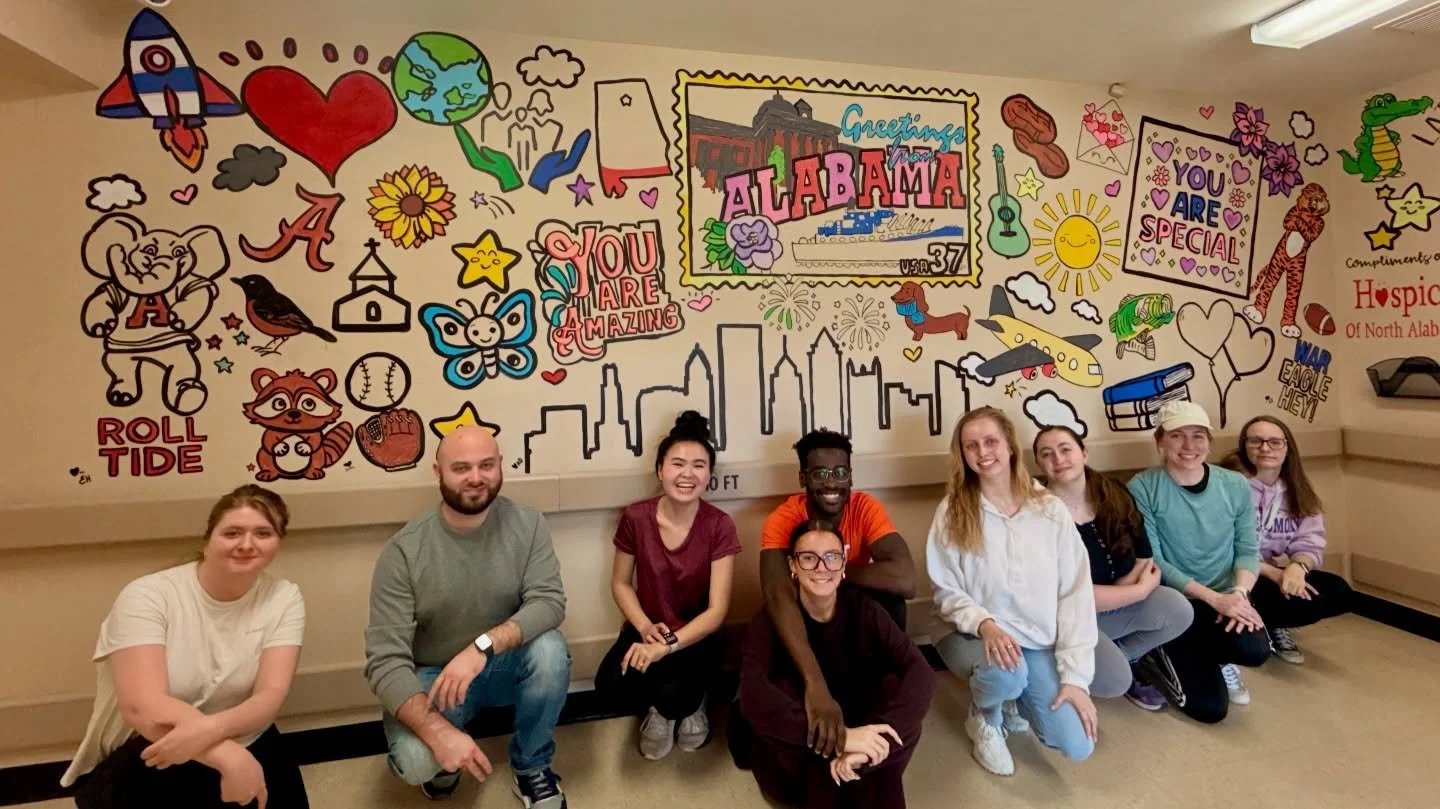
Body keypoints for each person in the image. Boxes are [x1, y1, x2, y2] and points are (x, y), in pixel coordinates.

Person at [62, 484, 309, 809]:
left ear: (278, 543)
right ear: (208, 541)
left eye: (263, 533)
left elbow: (270, 696)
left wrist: (212, 733)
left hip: (241, 732)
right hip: (151, 741)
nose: (247, 544)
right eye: (232, 532)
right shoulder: (148, 595)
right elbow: (143, 706)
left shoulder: (284, 597)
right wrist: (227, 757)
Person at [364, 426, 570, 807]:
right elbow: (384, 661)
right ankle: (444, 763)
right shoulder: (403, 552)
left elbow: (549, 602)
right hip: (436, 678)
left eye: (486, 465)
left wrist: (480, 648)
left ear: (500, 467)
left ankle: (531, 766)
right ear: (437, 472)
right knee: (415, 762)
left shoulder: (528, 524)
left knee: (550, 650)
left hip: (500, 663)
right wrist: (438, 733)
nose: (476, 478)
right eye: (461, 468)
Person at [927, 407, 1098, 777]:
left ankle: (1011, 698)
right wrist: (984, 624)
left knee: (1077, 744)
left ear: (1010, 447)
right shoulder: (953, 511)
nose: (982, 451)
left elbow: (1075, 594)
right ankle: (985, 718)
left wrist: (1075, 680)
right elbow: (944, 590)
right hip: (967, 632)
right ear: (962, 454)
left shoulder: (1049, 509)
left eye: (991, 441)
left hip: (1032, 640)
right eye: (971, 445)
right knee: (1006, 673)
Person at [739, 519, 935, 808]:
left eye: (831, 557)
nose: (822, 567)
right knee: (813, 750)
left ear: (843, 564)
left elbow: (920, 672)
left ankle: (867, 758)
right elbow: (753, 697)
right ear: (792, 566)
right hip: (801, 742)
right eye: (809, 558)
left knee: (896, 696)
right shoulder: (771, 619)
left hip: (860, 732)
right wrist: (841, 740)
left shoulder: (862, 608)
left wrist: (870, 744)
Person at [756, 429, 917, 760]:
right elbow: (777, 595)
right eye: (820, 473)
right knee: (774, 618)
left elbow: (905, 579)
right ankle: (810, 690)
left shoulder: (864, 507)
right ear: (803, 478)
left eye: (841, 472)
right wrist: (815, 685)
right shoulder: (783, 519)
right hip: (806, 609)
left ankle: (873, 699)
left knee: (892, 607)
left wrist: (833, 572)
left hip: (845, 602)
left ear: (850, 476)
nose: (832, 483)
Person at [595, 411, 741, 760]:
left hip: (697, 635)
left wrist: (669, 646)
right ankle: (661, 709)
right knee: (609, 685)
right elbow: (620, 583)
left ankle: (691, 705)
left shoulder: (720, 525)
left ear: (709, 475)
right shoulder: (636, 517)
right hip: (648, 629)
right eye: (677, 464)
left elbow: (717, 611)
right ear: (660, 470)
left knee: (679, 694)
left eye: (698, 465)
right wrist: (645, 629)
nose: (687, 474)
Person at [1127, 401, 1270, 723]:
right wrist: (1213, 599)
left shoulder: (1234, 485)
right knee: (1210, 710)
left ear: (1209, 441)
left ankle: (1217, 656)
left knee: (1255, 650)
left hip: (1228, 595)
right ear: (1160, 441)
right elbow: (1156, 561)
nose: (1189, 446)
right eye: (1177, 436)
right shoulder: (1143, 487)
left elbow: (1248, 548)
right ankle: (1160, 651)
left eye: (1198, 436)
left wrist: (1239, 595)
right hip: (1179, 601)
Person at [1033, 426, 1194, 711]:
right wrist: (1139, 591)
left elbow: (1145, 559)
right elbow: (1068, 595)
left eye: (1065, 449)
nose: (1058, 458)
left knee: (1178, 609)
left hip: (1114, 604)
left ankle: (1124, 654)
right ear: (1040, 465)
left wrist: (1124, 593)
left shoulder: (1115, 492)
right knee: (1115, 682)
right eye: (1047, 454)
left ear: (1084, 453)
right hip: (1069, 619)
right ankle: (1064, 663)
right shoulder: (1036, 514)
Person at [1221, 415, 1352, 664]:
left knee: (1338, 592)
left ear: (1287, 447)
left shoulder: (1295, 488)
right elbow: (1221, 546)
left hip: (1271, 570)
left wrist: (1297, 568)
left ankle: (1273, 622)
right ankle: (1260, 622)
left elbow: (1309, 540)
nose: (1265, 448)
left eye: (1275, 442)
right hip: (1233, 575)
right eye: (1256, 441)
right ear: (1244, 446)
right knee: (1252, 650)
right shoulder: (1228, 485)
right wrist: (1274, 573)